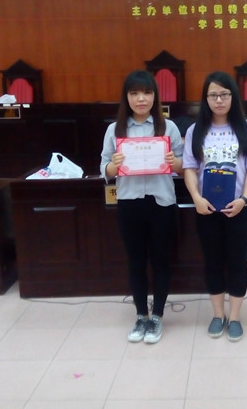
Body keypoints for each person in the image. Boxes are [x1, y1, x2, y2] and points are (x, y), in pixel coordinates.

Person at [100, 70, 183, 344]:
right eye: (134, 93)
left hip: (162, 203)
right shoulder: (115, 130)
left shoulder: (168, 128)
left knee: (161, 260)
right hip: (130, 203)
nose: (141, 99)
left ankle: (157, 316)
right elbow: (105, 169)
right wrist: (114, 164)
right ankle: (140, 315)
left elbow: (184, 167)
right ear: (126, 97)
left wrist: (174, 162)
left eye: (146, 93)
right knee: (136, 261)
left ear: (154, 96)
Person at [182, 71, 247, 342]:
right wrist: (196, 197)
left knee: (238, 260)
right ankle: (218, 315)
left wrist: (244, 199)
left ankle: (235, 317)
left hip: (239, 207)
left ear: (233, 97)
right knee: (213, 261)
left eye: (224, 95)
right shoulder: (195, 131)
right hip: (206, 208)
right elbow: (189, 168)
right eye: (213, 95)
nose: (219, 100)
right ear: (205, 99)